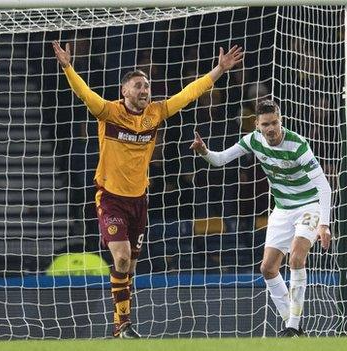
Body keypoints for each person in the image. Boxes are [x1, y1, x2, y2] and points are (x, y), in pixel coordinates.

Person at [52, 40, 243, 338]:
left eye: (148, 86)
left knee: (130, 268)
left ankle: (122, 325)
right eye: (139, 86)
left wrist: (218, 69)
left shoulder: (156, 113)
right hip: (111, 199)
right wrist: (67, 67)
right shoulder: (109, 113)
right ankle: (123, 324)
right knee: (123, 257)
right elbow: (84, 94)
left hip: (139, 200)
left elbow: (189, 94)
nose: (145, 91)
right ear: (125, 91)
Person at [190, 100, 332, 337]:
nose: (271, 128)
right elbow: (221, 159)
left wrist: (325, 224)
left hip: (308, 206)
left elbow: (324, 187)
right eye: (265, 124)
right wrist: (204, 151)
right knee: (267, 269)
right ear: (256, 124)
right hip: (282, 210)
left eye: (275, 122)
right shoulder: (253, 140)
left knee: (296, 258)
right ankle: (293, 324)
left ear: (281, 121)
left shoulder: (297, 145)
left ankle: (293, 326)